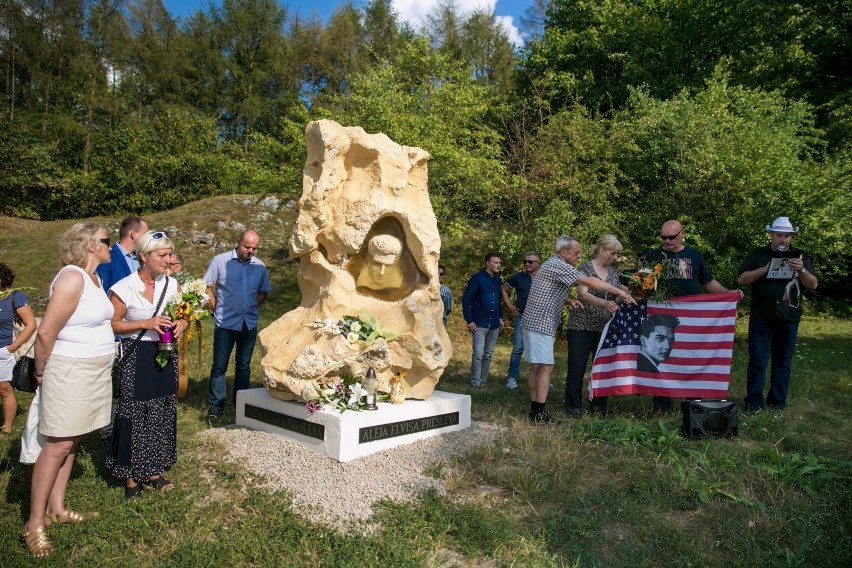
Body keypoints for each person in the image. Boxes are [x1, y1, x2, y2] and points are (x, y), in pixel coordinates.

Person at [22, 223, 115, 558]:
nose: (111, 245)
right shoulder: (72, 277)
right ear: (89, 245)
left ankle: (56, 508)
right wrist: (42, 371)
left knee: (73, 437)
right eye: (107, 240)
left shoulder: (95, 278)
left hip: (92, 370)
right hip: (69, 370)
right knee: (58, 443)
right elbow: (46, 332)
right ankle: (34, 522)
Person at [106, 230, 188, 499]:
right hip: (136, 353)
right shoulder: (123, 287)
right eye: (162, 255)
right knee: (134, 411)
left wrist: (182, 324)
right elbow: (113, 324)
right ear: (143, 256)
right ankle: (131, 476)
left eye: (169, 255)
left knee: (161, 407)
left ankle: (153, 468)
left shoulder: (172, 285)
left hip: (165, 351)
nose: (168, 260)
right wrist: (146, 323)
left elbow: (184, 315)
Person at [523, 236, 635, 422]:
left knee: (537, 366)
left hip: (535, 321)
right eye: (576, 252)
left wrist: (566, 300)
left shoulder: (552, 264)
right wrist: (620, 292)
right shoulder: (558, 265)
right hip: (541, 323)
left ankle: (535, 410)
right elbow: (590, 283)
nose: (578, 256)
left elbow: (545, 289)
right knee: (546, 367)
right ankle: (539, 412)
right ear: (564, 252)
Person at [642, 219, 742, 413]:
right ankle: (661, 406)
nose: (667, 241)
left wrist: (727, 294)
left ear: (683, 233)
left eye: (671, 237)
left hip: (693, 318)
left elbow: (708, 282)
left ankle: (693, 403)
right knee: (664, 358)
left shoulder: (695, 255)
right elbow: (644, 285)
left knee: (692, 356)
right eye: (663, 237)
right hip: (663, 317)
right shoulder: (654, 255)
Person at [738, 216, 818, 412]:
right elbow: (742, 279)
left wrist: (802, 271)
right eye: (779, 235)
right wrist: (765, 269)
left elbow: (813, 284)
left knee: (783, 361)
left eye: (787, 236)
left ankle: (777, 403)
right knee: (758, 359)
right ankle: (754, 402)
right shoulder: (758, 254)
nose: (783, 239)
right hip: (762, 314)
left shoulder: (800, 256)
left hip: (788, 315)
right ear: (771, 235)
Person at [204, 230, 272, 419]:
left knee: (244, 365)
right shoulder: (220, 261)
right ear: (238, 242)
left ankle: (241, 403)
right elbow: (205, 285)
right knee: (220, 365)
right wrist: (214, 306)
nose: (250, 251)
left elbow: (263, 291)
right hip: (225, 322)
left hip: (248, 323)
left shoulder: (259, 266)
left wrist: (251, 306)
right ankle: (216, 405)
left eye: (254, 248)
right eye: (247, 247)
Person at [564, 236, 624, 417]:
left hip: (605, 328)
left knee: (602, 367)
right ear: (602, 250)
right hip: (581, 325)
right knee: (577, 366)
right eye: (613, 253)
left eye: (617, 254)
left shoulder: (613, 272)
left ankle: (598, 406)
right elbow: (583, 295)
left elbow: (615, 296)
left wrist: (623, 297)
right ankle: (573, 407)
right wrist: (604, 304)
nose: (615, 257)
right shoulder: (585, 267)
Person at [0, 263, 38, 435]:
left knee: (4, 388)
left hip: (3, 350)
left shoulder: (16, 296)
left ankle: (6, 428)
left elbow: (30, 325)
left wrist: (12, 347)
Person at [462, 251, 504, 388]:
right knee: (478, 355)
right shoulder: (477, 278)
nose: (498, 265)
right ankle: (475, 383)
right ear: (487, 263)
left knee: (488, 355)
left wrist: (500, 317)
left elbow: (498, 300)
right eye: (495, 262)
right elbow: (466, 299)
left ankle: (483, 382)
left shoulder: (498, 280)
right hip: (479, 323)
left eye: (499, 263)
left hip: (494, 323)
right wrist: (469, 320)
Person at [501, 251, 541, 389]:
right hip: (522, 316)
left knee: (540, 349)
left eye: (530, 262)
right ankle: (512, 378)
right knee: (518, 348)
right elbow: (504, 289)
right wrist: (510, 306)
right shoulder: (518, 277)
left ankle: (542, 378)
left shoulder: (545, 277)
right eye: (525, 261)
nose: (527, 264)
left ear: (538, 264)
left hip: (541, 318)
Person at [96, 216, 148, 292]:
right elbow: (103, 291)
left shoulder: (142, 258)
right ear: (133, 234)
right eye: (145, 234)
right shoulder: (107, 258)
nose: (148, 238)